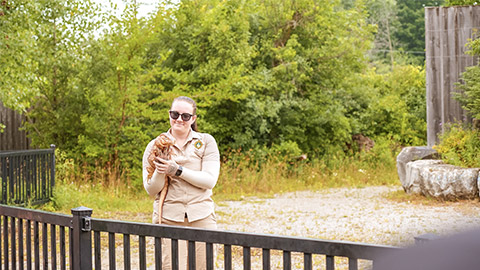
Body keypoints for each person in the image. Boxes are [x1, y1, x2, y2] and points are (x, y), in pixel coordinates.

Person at [142, 96, 220, 270]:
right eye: (175, 114)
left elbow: (209, 181)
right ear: (169, 115)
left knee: (204, 267)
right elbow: (151, 189)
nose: (179, 119)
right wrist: (160, 170)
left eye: (185, 116)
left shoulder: (206, 141)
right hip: (168, 218)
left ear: (193, 119)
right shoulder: (154, 146)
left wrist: (177, 170)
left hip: (202, 217)